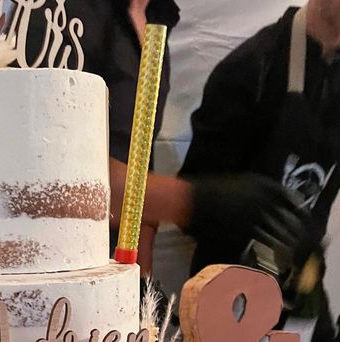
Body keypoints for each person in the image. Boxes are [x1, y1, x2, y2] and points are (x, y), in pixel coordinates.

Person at [179, 0, 340, 342]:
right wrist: (232, 201)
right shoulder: (253, 65)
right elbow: (190, 201)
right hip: (222, 287)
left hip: (302, 289)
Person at [24, 0, 306, 277]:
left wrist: (141, 287)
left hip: (103, 286)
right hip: (38, 276)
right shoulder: (54, 13)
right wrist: (192, 201)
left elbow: (138, 161)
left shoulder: (158, 18)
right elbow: (33, 166)